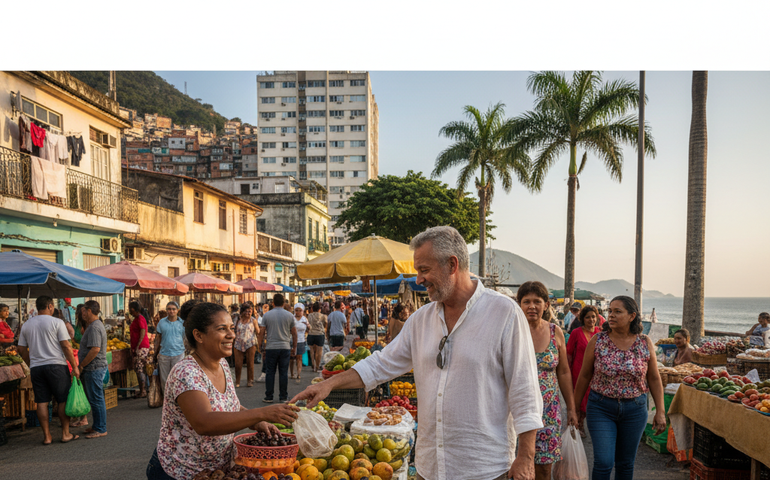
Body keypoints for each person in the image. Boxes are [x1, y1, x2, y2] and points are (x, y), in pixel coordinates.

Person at [291, 226, 543, 480]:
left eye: (424, 270)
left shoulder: (504, 313)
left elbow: (525, 391)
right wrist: (329, 384)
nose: (418, 279)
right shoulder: (421, 320)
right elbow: (380, 365)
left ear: (452, 265)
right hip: (429, 467)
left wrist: (525, 457)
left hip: (484, 468)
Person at [146, 302, 300, 480]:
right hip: (180, 471)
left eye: (232, 328)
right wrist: (261, 413)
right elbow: (204, 422)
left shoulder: (222, 364)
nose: (231, 335)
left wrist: (257, 422)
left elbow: (229, 406)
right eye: (222, 329)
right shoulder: (186, 373)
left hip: (216, 471)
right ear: (198, 335)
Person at [573, 296, 666, 480]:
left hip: (635, 409)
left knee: (625, 463)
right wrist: (574, 409)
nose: (611, 315)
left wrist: (660, 411)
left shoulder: (644, 343)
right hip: (601, 407)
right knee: (604, 461)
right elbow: (584, 376)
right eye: (610, 311)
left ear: (632, 316)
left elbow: (654, 378)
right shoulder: (598, 341)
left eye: (618, 311)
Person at [517, 281, 578, 478]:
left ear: (547, 305)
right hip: (515, 412)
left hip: (548, 412)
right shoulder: (511, 331)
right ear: (519, 304)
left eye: (537, 301)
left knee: (543, 469)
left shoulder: (555, 332)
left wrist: (571, 408)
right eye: (526, 301)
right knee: (515, 467)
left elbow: (564, 372)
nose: (532, 306)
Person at [17, 295, 80, 444]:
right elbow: (66, 346)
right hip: (56, 366)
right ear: (50, 306)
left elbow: (21, 348)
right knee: (62, 399)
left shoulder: (27, 324)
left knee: (42, 402)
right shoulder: (57, 322)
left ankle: (47, 436)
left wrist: (29, 361)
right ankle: (65, 433)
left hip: (37, 368)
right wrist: (75, 367)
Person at [566, 305, 602, 437]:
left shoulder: (600, 333)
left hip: (595, 372)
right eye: (588, 317)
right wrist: (567, 372)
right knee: (579, 398)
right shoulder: (576, 332)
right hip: (578, 371)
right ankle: (578, 425)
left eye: (593, 317)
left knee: (590, 399)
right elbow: (569, 353)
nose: (591, 320)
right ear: (583, 319)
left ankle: (584, 424)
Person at [77, 300, 109, 439]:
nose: (82, 314)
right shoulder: (93, 325)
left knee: (96, 398)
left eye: (83, 311)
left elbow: (95, 349)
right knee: (95, 398)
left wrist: (82, 364)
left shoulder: (95, 327)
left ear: (89, 311)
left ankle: (101, 428)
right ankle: (97, 426)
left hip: (94, 367)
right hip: (94, 367)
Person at [258, 294, 297, 403]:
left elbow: (261, 333)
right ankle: (283, 396)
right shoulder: (289, 315)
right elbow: (294, 333)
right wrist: (294, 347)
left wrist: (259, 345)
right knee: (283, 372)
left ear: (273, 303)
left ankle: (269, 396)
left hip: (271, 347)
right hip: (285, 347)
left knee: (270, 372)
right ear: (284, 303)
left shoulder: (267, 315)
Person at [154, 302, 186, 393]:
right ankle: (167, 401)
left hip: (179, 354)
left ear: (177, 310)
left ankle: (177, 399)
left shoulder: (182, 323)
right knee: (165, 380)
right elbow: (158, 339)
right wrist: (155, 354)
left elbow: (184, 338)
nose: (171, 311)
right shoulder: (162, 322)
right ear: (167, 310)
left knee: (178, 378)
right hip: (164, 354)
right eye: (169, 309)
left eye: (173, 309)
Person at [233, 304, 260, 387]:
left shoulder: (253, 320)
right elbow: (233, 329)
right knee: (238, 364)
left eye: (250, 311)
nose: (248, 313)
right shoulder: (237, 320)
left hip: (250, 343)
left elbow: (258, 331)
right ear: (243, 311)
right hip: (238, 343)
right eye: (247, 311)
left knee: (250, 362)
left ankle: (250, 380)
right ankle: (237, 381)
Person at [129, 302, 151, 399]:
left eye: (131, 309)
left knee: (140, 368)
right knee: (140, 368)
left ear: (134, 309)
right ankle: (144, 390)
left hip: (141, 347)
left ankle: (143, 391)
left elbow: (142, 331)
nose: (130, 311)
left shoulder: (140, 318)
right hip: (140, 347)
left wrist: (138, 345)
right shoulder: (137, 319)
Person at [306, 302, 327, 373]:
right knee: (319, 351)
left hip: (311, 334)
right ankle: (317, 366)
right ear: (320, 309)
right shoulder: (323, 316)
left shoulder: (309, 316)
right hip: (320, 334)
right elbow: (325, 324)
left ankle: (313, 364)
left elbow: (307, 324)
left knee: (312, 350)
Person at [290, 303, 308, 382]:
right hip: (292, 340)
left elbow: (308, 328)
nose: (298, 312)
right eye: (296, 310)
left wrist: (308, 327)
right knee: (291, 358)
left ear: (303, 311)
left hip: (301, 340)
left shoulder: (304, 319)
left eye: (300, 310)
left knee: (299, 358)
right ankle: (291, 373)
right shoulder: (292, 318)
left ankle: (298, 373)